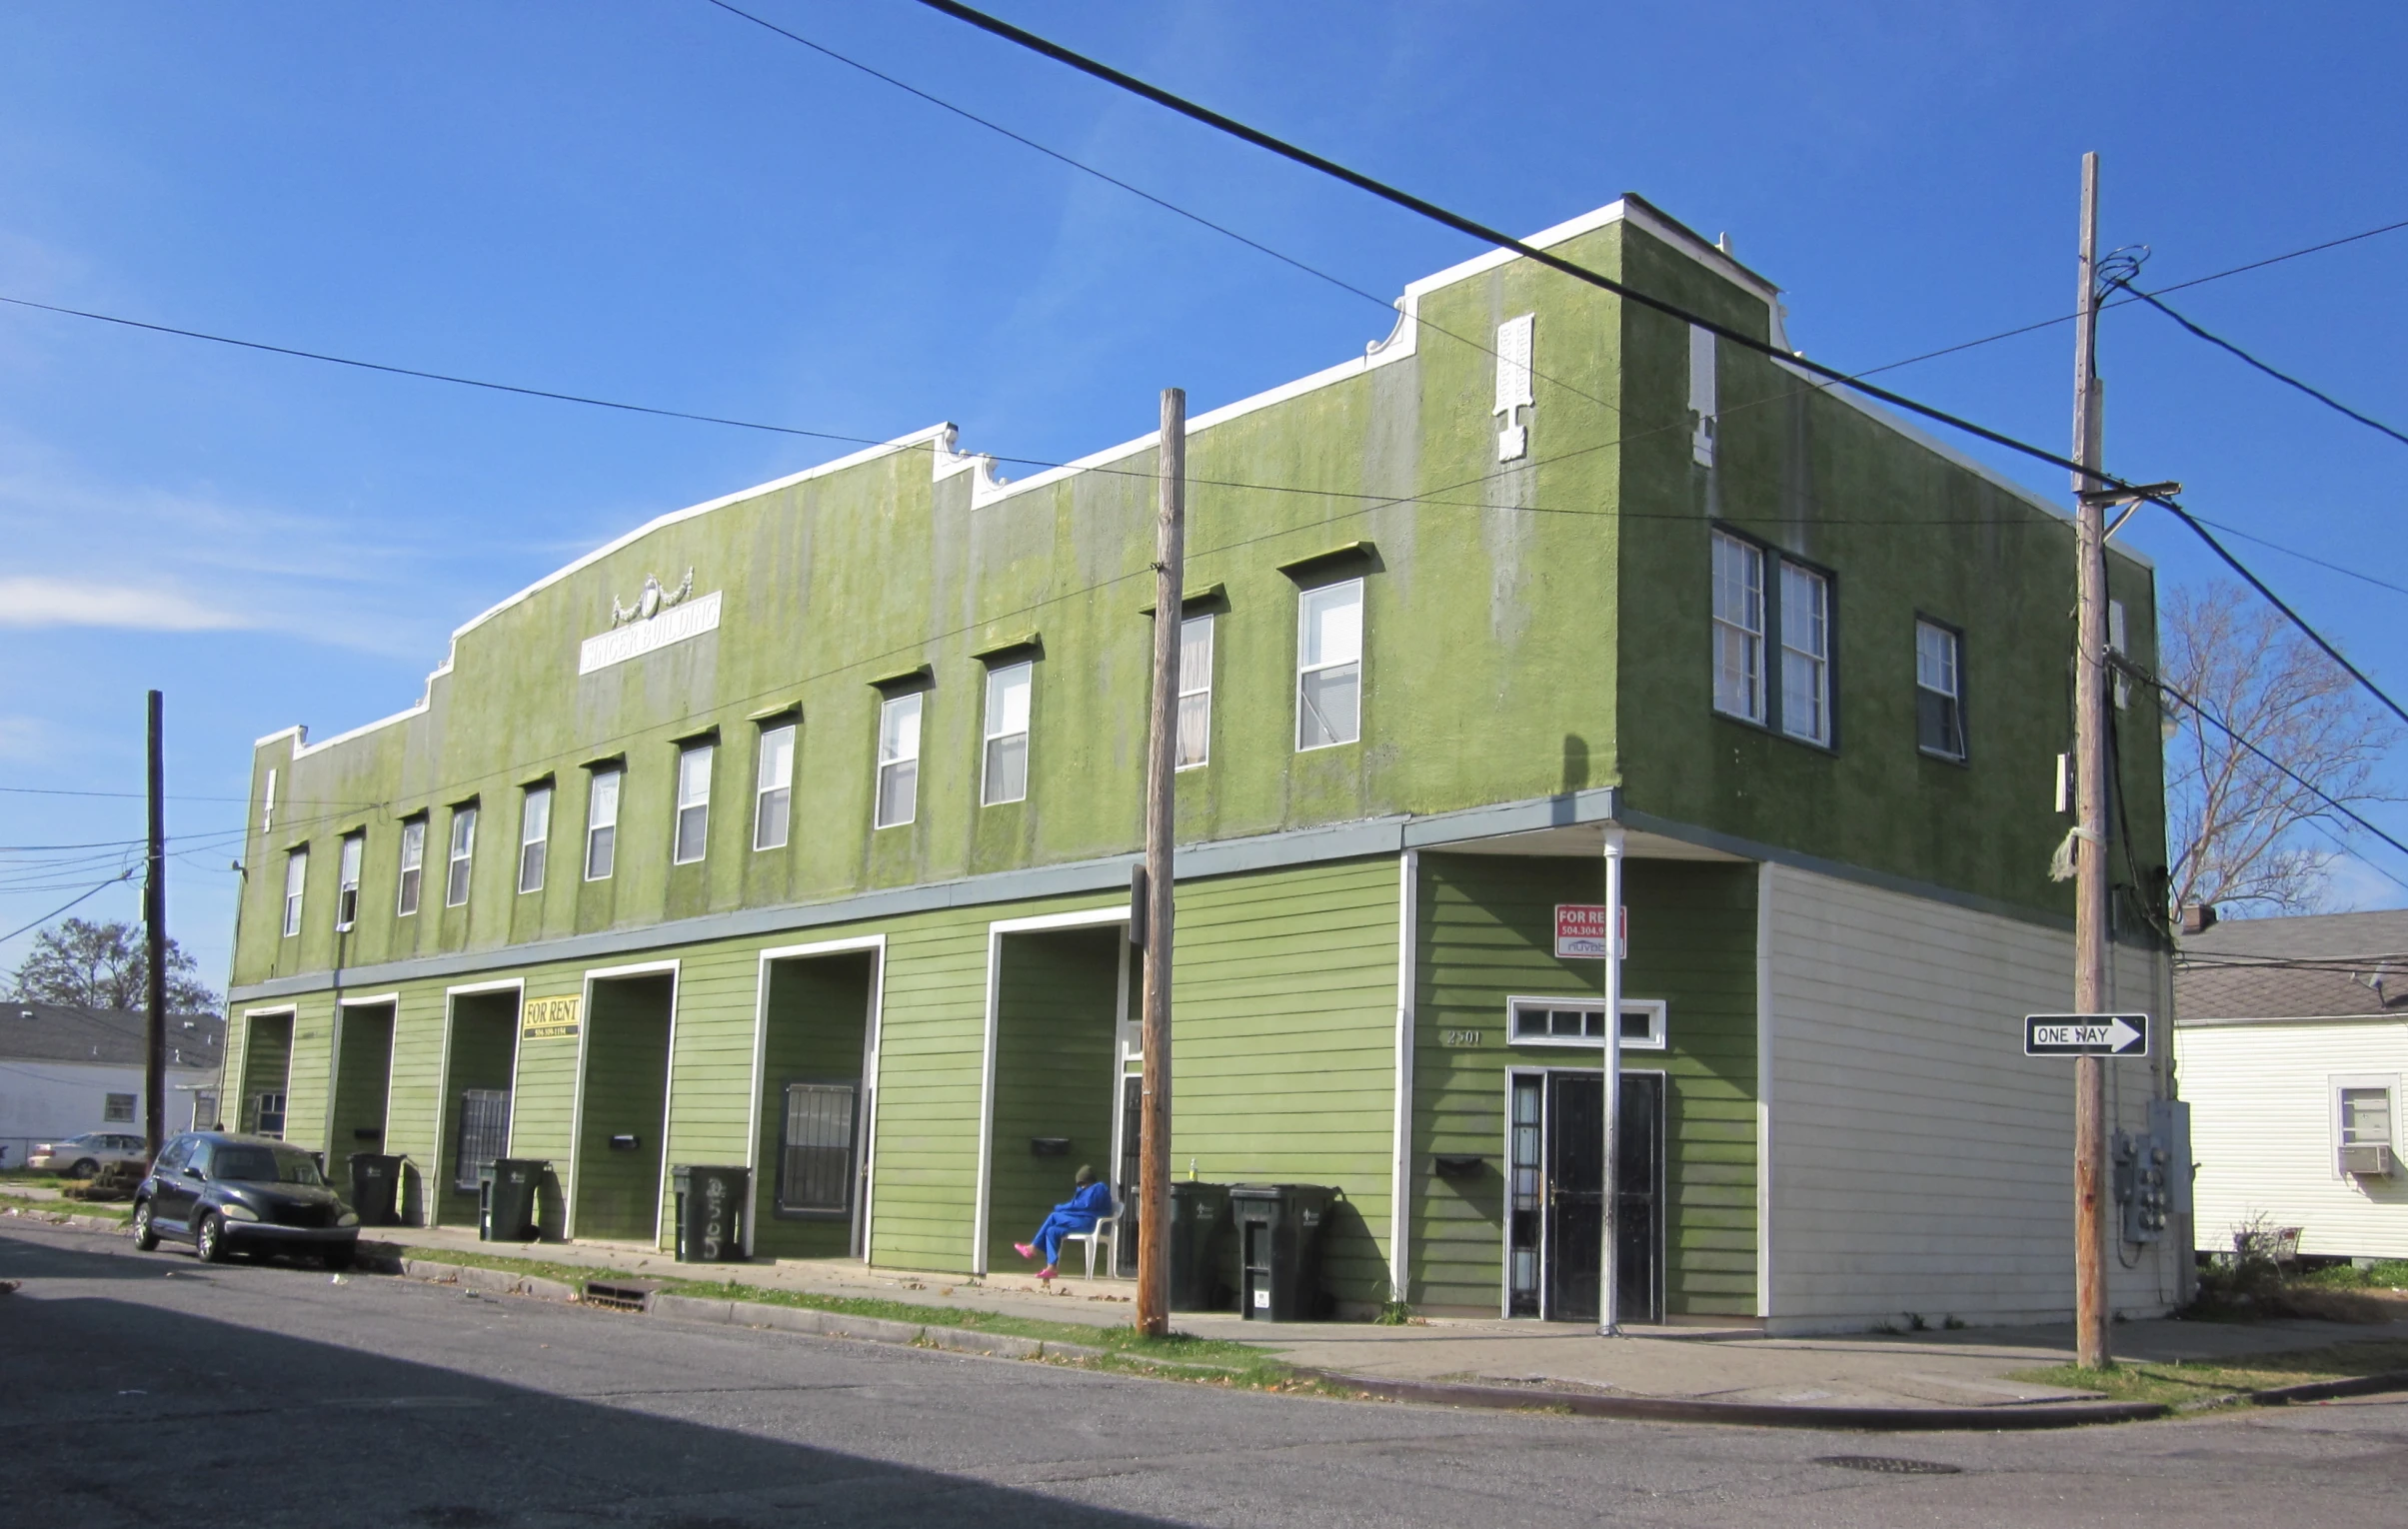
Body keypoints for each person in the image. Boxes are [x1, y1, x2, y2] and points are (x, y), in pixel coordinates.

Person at [1015, 1164, 1113, 1281]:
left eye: (1082, 1183)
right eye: (1079, 1184)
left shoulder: (1099, 1188)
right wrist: (1065, 1208)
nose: (1081, 1186)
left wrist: (1061, 1208)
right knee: (1052, 1231)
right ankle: (1052, 1268)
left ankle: (1033, 1248)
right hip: (1078, 1222)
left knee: (1053, 1216)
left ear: (1089, 1180)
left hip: (1089, 1223)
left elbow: (1085, 1205)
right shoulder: (1082, 1191)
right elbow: (1075, 1205)